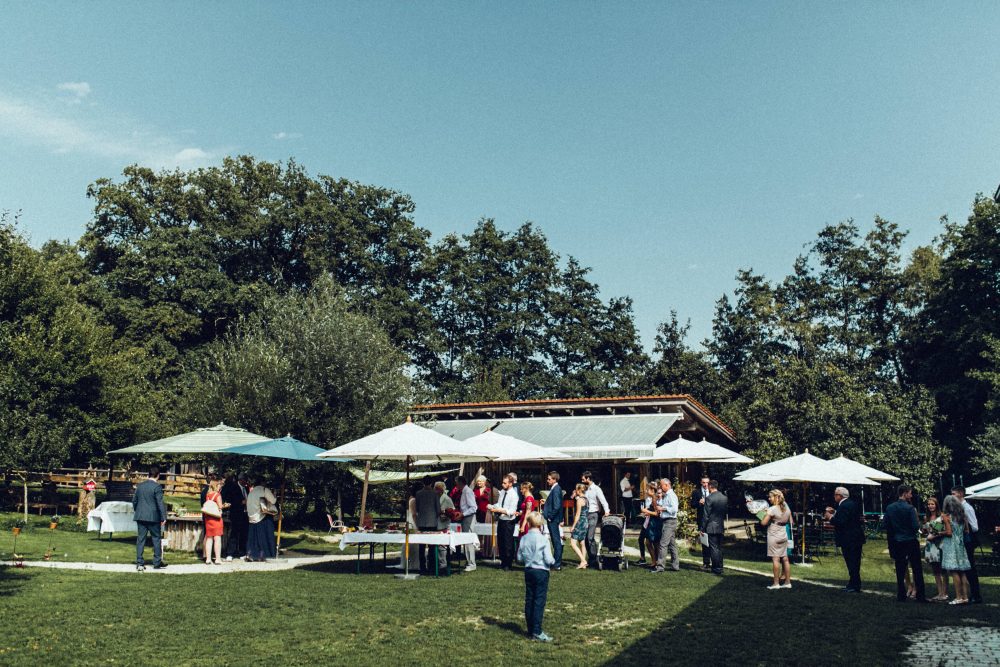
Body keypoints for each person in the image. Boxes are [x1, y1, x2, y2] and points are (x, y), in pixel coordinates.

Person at [884, 484, 926, 602]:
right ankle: (920, 595)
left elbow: (885, 524)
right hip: (910, 540)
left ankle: (901, 594)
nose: (911, 495)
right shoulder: (910, 509)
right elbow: (915, 526)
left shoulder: (890, 508)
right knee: (916, 568)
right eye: (910, 493)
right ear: (905, 493)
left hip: (897, 541)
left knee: (900, 568)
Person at [517, 512, 556, 642]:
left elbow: (519, 558)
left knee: (529, 599)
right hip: (541, 571)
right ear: (540, 524)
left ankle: (530, 630)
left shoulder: (523, 539)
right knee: (539, 601)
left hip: (528, 570)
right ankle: (537, 631)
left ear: (528, 523)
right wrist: (553, 561)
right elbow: (549, 559)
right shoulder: (543, 539)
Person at [824, 486, 864, 592]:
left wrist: (830, 517)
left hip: (849, 538)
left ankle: (854, 585)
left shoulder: (845, 506)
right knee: (854, 562)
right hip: (855, 538)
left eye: (835, 494)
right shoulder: (850, 504)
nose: (834, 496)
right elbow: (848, 518)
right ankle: (853, 583)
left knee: (852, 562)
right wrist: (836, 512)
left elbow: (841, 522)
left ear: (839, 495)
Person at [951, 486, 983, 604]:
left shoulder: (967, 508)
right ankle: (968, 594)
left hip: (968, 541)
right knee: (965, 568)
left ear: (960, 494)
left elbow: (975, 527)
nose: (952, 496)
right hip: (961, 540)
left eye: (953, 494)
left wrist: (963, 527)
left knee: (970, 568)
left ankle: (976, 595)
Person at [132, 465, 168, 571]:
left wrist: (138, 511)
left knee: (141, 540)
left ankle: (140, 563)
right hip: (153, 517)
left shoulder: (140, 486)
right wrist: (163, 517)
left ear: (148, 474)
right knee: (156, 539)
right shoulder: (157, 487)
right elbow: (160, 503)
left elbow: (134, 501)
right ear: (158, 475)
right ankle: (157, 562)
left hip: (140, 515)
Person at [940, 495, 971, 605]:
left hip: (951, 545)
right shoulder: (963, 516)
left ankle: (958, 597)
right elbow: (967, 531)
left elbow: (949, 533)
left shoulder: (946, 516)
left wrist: (939, 533)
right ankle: (965, 597)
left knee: (954, 571)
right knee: (962, 572)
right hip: (961, 545)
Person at [760, 489, 792, 589]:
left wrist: (763, 515)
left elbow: (763, 523)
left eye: (770, 497)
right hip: (783, 533)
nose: (769, 499)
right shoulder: (786, 506)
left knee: (776, 559)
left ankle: (776, 583)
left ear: (776, 497)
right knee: (785, 559)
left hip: (774, 534)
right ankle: (787, 582)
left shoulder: (772, 509)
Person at [921, 497, 949, 602]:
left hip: (939, 545)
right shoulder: (926, 517)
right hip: (930, 546)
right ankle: (939, 592)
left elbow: (947, 531)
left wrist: (935, 535)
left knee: (943, 570)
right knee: (935, 570)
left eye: (932, 504)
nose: (930, 506)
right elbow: (926, 531)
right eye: (928, 504)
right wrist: (924, 531)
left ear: (936, 505)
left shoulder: (942, 516)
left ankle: (945, 593)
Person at [490, 475, 520, 570]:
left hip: (508, 521)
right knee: (501, 542)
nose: (502, 484)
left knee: (508, 543)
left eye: (505, 483)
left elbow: (511, 511)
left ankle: (508, 564)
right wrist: (492, 506)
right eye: (502, 482)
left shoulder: (514, 495)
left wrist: (499, 510)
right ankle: (503, 562)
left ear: (510, 484)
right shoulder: (502, 492)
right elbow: (499, 504)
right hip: (501, 520)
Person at [246, 476, 277, 562]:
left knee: (253, 538)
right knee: (264, 537)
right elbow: (273, 501)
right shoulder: (264, 490)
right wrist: (274, 494)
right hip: (262, 517)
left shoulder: (251, 492)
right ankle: (265, 554)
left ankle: (251, 554)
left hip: (252, 517)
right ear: (263, 483)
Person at [581, 471, 609, 567]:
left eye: (583, 479)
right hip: (585, 514)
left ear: (588, 479)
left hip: (593, 514)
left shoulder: (596, 489)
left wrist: (607, 511)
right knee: (585, 538)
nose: (582, 480)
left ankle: (594, 558)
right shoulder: (585, 489)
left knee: (590, 537)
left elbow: (603, 500)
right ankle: (591, 558)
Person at [651, 477, 679, 573]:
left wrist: (663, 508)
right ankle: (675, 566)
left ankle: (660, 567)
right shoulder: (666, 495)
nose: (660, 487)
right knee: (672, 544)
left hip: (670, 521)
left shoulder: (671, 495)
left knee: (663, 544)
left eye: (662, 485)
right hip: (667, 521)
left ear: (667, 485)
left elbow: (674, 509)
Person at [222, 472, 249, 561]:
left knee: (243, 534)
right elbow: (230, 500)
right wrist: (240, 502)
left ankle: (242, 553)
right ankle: (230, 553)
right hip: (236, 514)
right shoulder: (233, 487)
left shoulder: (246, 489)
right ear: (240, 480)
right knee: (234, 534)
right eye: (245, 480)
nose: (246, 482)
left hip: (245, 514)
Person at [703, 479, 727, 576]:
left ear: (710, 487)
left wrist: (702, 528)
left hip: (711, 526)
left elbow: (706, 515)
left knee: (713, 548)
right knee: (719, 547)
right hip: (720, 524)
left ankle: (716, 568)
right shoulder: (724, 497)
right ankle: (720, 566)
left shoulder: (709, 498)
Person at [415, 480, 440, 573]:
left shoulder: (418, 493)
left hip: (421, 522)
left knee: (421, 546)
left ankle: (422, 567)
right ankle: (432, 566)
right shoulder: (435, 494)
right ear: (431, 483)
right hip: (432, 522)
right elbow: (438, 508)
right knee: (432, 546)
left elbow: (417, 508)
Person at [202, 476, 226, 565]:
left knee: (209, 538)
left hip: (208, 518)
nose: (220, 486)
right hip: (216, 518)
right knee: (217, 538)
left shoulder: (208, 495)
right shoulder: (217, 495)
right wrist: (224, 506)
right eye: (219, 484)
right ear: (216, 485)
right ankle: (217, 559)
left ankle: (208, 559)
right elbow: (220, 507)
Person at [542, 471, 564, 569]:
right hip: (553, 518)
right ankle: (556, 562)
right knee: (555, 541)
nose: (547, 480)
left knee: (556, 541)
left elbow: (557, 505)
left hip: (553, 519)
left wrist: (550, 516)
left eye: (549, 479)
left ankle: (557, 564)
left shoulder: (556, 489)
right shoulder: (555, 488)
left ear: (554, 479)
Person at [456, 476, 478, 572]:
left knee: (469, 541)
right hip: (465, 517)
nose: (455, 485)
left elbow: (473, 507)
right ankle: (469, 561)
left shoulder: (468, 491)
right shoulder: (464, 491)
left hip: (469, 518)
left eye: (456, 483)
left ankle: (472, 563)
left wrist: (462, 514)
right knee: (466, 540)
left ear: (460, 483)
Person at [638, 480, 661, 568]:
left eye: (648, 490)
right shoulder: (652, 499)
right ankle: (654, 561)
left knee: (653, 543)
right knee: (648, 542)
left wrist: (645, 511)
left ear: (652, 491)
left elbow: (656, 513)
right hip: (650, 522)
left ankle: (656, 561)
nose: (646, 491)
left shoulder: (655, 499)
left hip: (654, 524)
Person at [435, 481, 456, 573]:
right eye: (436, 488)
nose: (436, 490)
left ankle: (443, 564)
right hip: (435, 523)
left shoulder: (447, 499)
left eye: (438, 489)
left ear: (442, 490)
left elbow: (452, 511)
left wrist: (444, 513)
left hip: (443, 523)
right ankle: (437, 563)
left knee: (442, 545)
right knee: (436, 545)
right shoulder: (435, 497)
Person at [568, 484, 589, 569]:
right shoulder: (586, 499)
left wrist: (573, 526)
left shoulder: (580, 500)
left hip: (580, 522)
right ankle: (583, 563)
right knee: (582, 543)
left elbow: (577, 515)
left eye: (576, 490)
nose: (575, 491)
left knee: (573, 543)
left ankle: (583, 561)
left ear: (579, 491)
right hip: (585, 521)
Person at [694, 476, 712, 570]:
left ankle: (715, 561)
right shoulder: (696, 492)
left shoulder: (713, 492)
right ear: (701, 483)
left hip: (711, 520)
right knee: (705, 541)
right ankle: (706, 562)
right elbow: (692, 504)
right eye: (704, 482)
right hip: (702, 520)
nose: (705, 485)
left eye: (707, 483)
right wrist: (699, 503)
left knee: (712, 541)